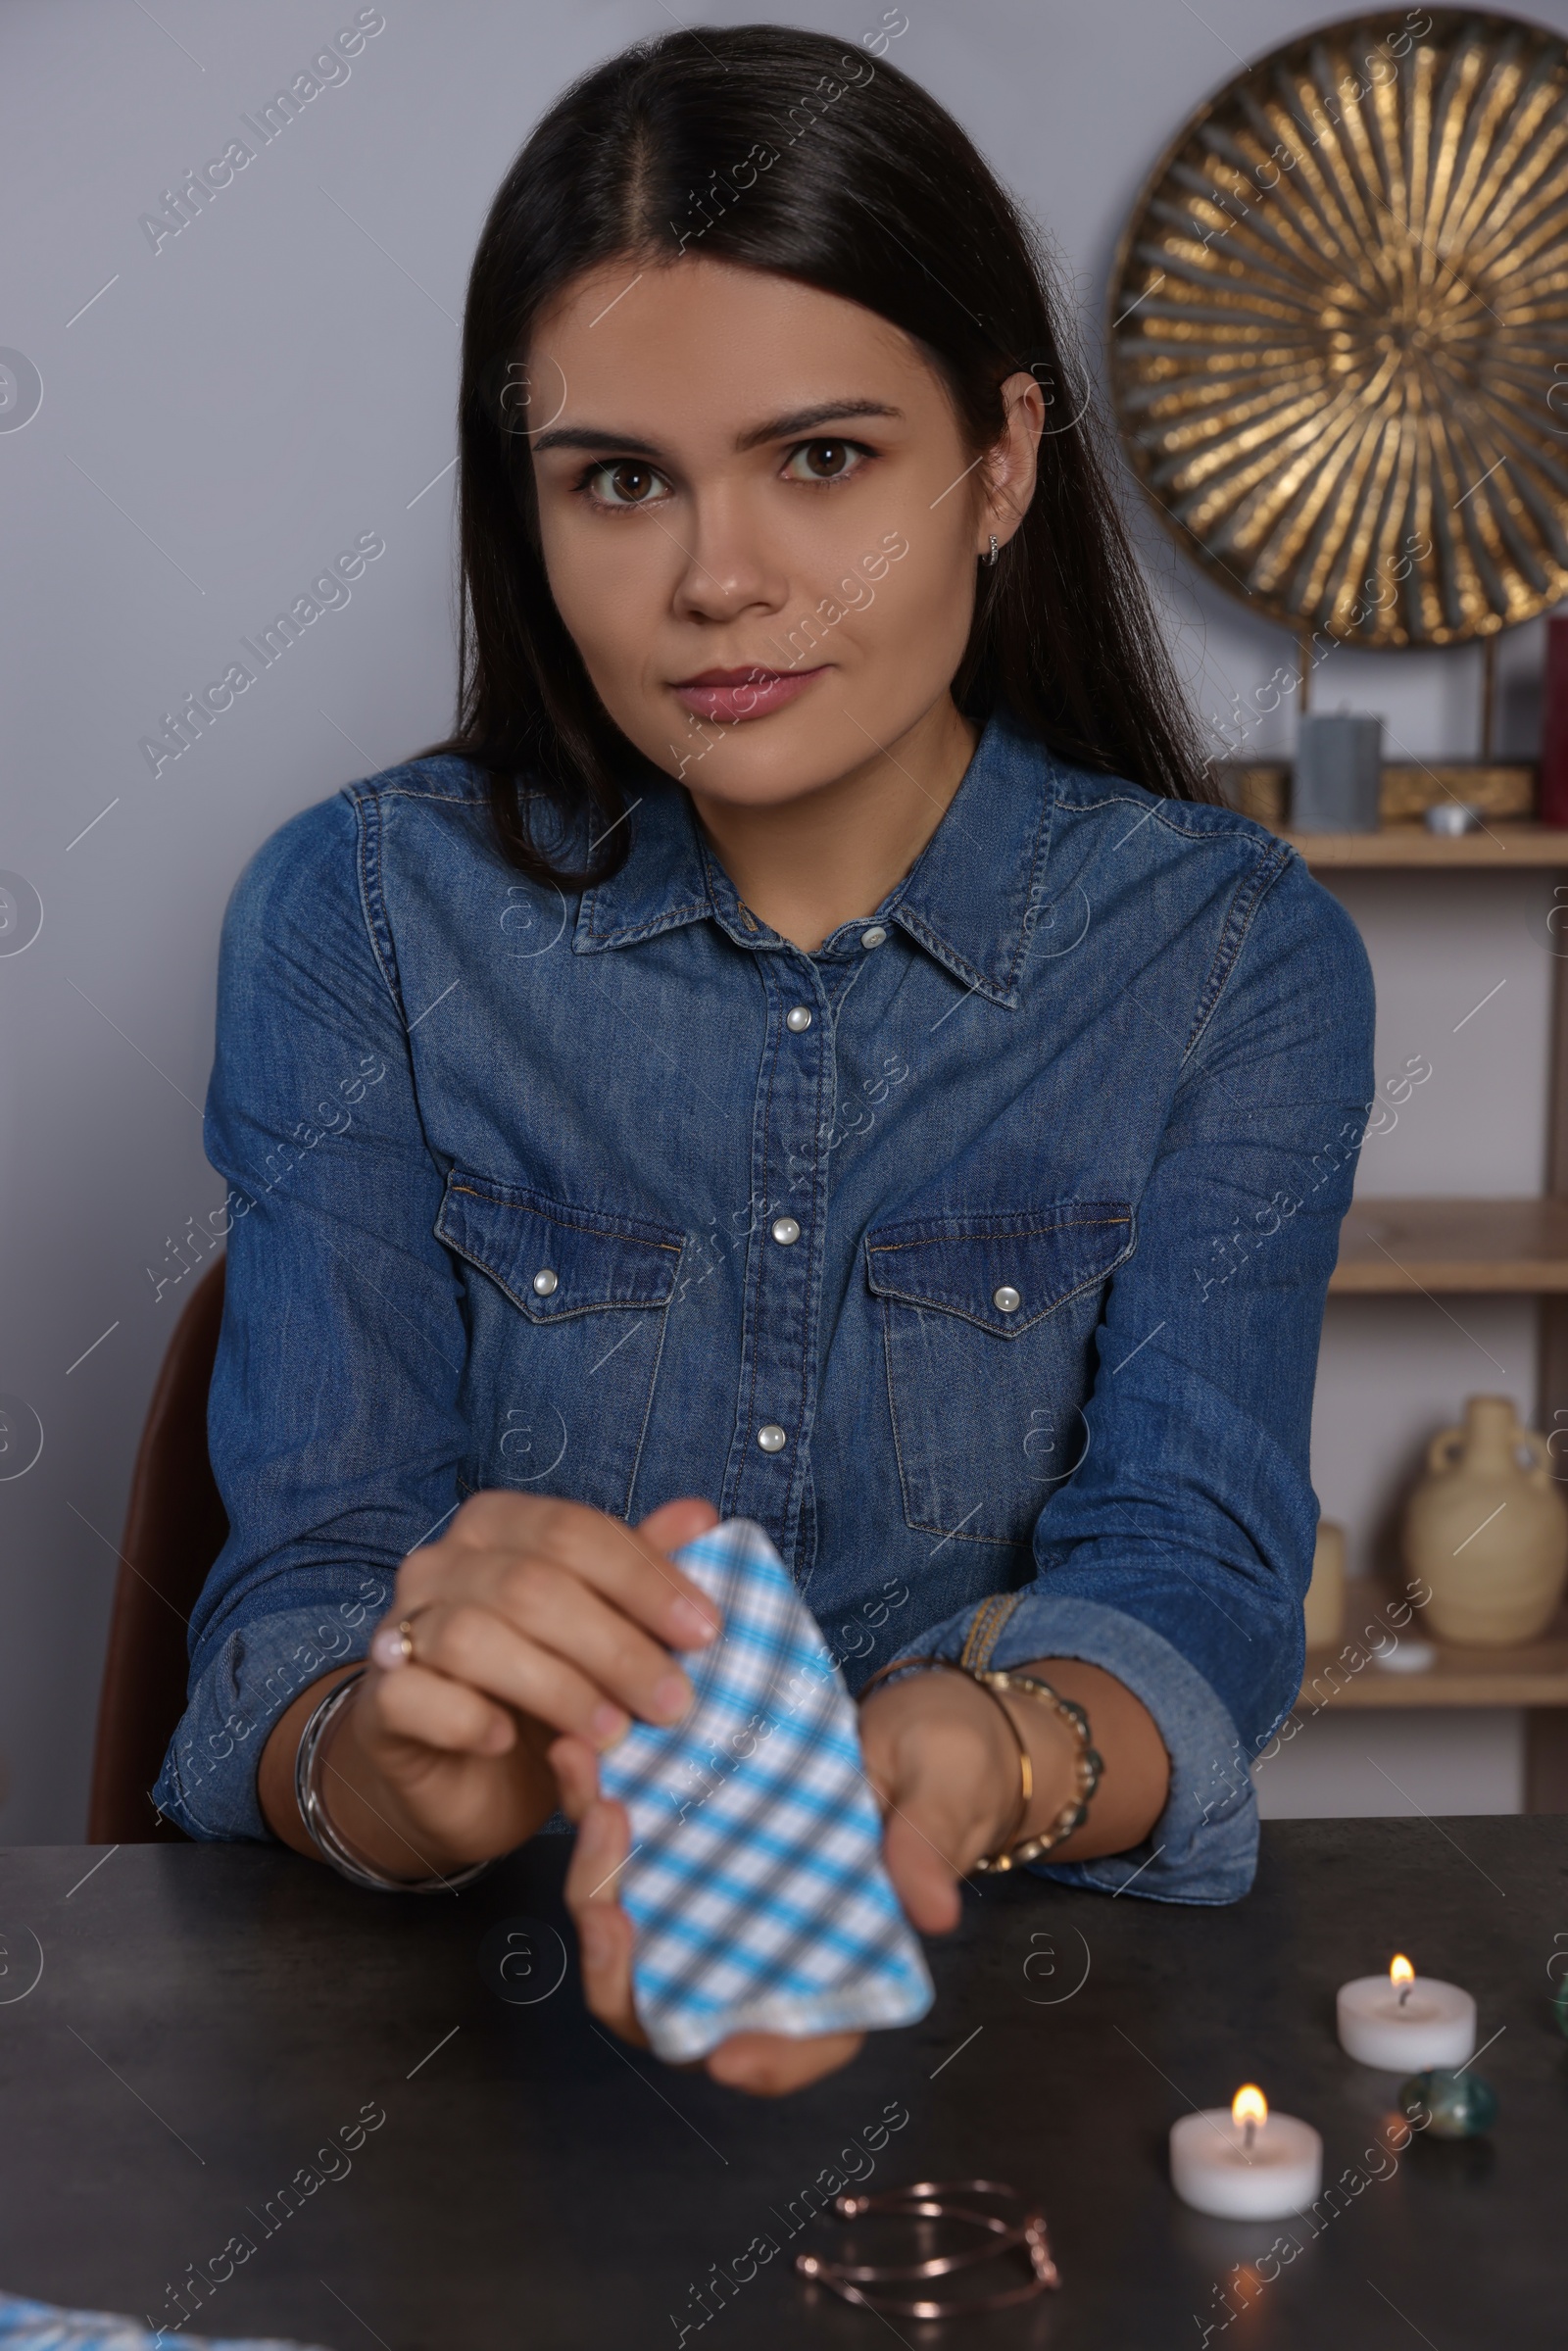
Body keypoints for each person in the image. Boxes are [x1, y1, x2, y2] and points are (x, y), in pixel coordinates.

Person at [154, 23, 1374, 2095]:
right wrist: (399, 1761)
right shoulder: (352, 917)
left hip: (1017, 2041)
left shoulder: (1231, 955)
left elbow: (1195, 1567)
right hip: (458, 2074)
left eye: (821, 459)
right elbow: (299, 1600)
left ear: (997, 460)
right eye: (620, 481)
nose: (715, 581)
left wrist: (983, 1754)